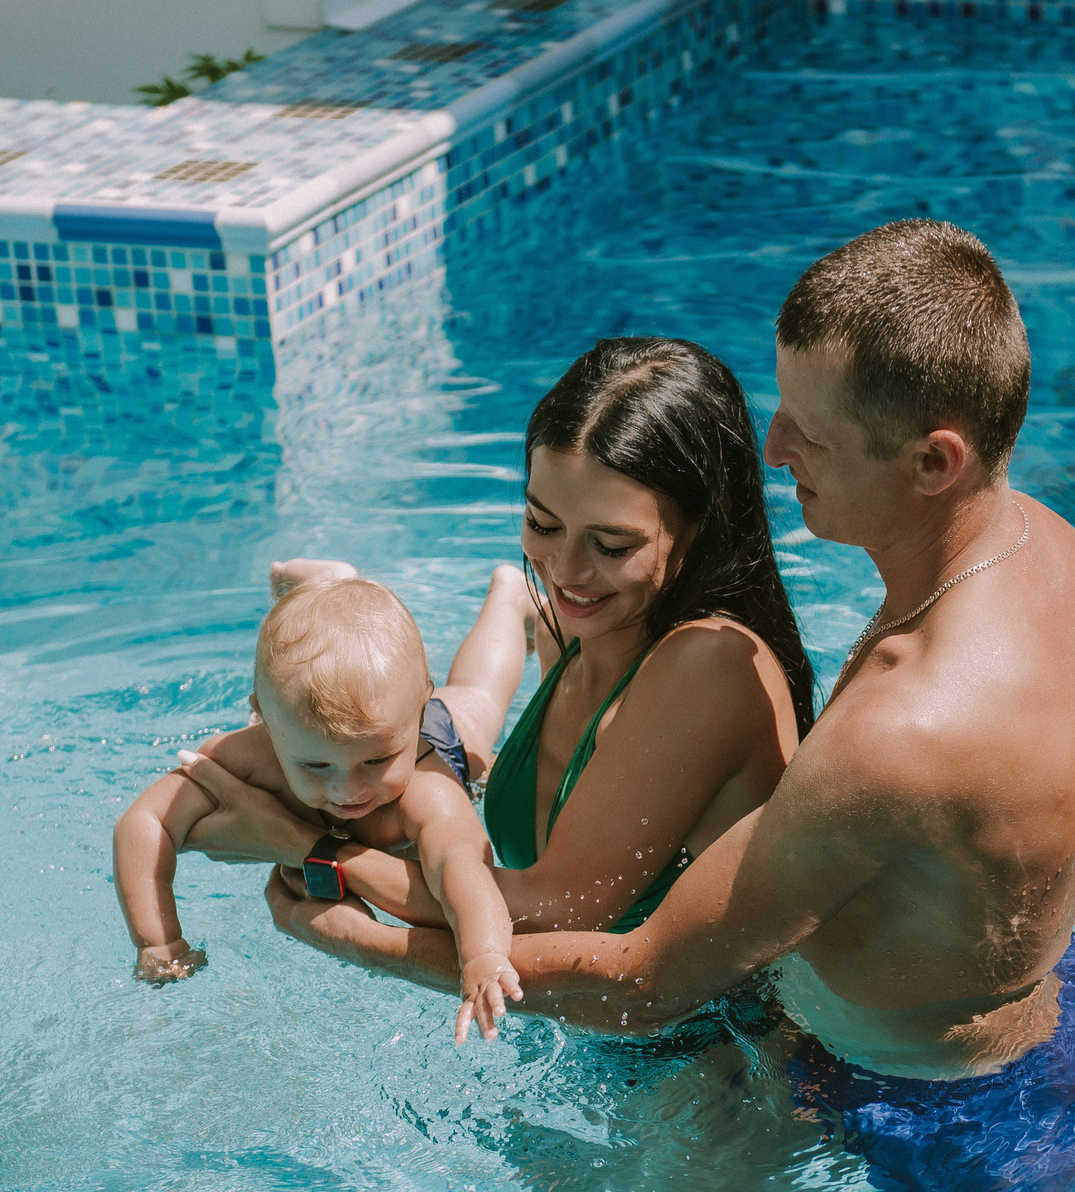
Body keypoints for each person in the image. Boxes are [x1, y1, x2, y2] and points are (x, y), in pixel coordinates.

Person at [251, 220, 1075, 1192]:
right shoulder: (1039, 554)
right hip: (1020, 1004)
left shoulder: (906, 731)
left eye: (810, 423)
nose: (773, 436)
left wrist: (361, 937)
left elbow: (646, 979)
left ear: (933, 457)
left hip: (948, 1108)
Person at [173, 337, 812, 944]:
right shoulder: (572, 633)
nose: (565, 571)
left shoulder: (709, 666)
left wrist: (306, 847)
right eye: (541, 522)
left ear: (699, 530)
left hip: (725, 1050)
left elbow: (552, 914)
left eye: (611, 545)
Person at [109, 574, 523, 1040]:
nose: (349, 790)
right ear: (264, 720)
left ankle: (508, 598)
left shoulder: (428, 788)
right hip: (374, 717)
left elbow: (460, 865)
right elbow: (144, 822)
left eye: (376, 760)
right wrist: (159, 941)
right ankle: (329, 587)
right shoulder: (251, 755)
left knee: (478, 697)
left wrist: (483, 955)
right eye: (315, 765)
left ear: (416, 709)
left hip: (442, 739)